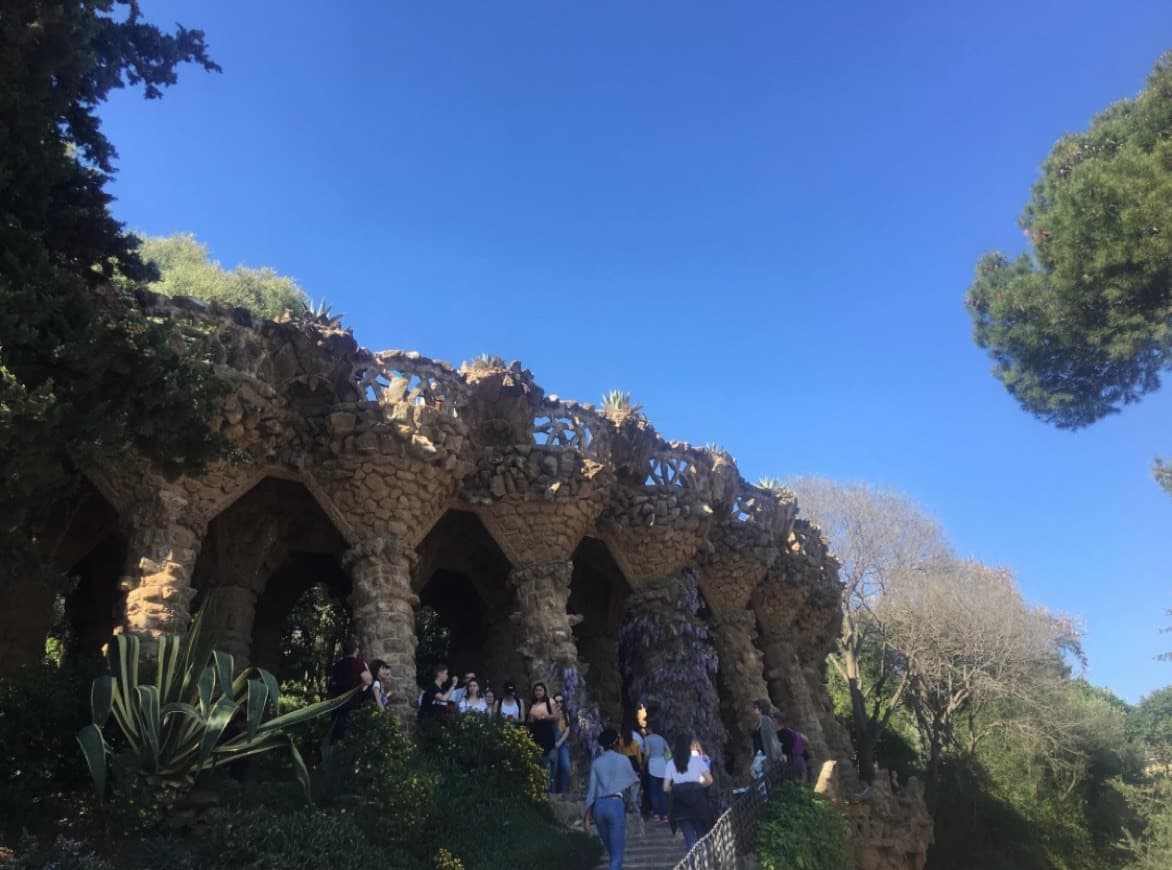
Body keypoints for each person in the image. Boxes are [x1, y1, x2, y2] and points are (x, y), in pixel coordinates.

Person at [585, 728, 640, 870]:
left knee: (612, 853)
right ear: (616, 741)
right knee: (617, 856)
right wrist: (631, 802)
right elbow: (635, 782)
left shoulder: (596, 763)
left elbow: (591, 792)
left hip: (598, 807)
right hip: (615, 805)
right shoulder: (623, 760)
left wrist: (587, 820)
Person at [664, 732, 715, 852]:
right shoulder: (697, 761)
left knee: (690, 840)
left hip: (680, 806)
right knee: (702, 836)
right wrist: (698, 786)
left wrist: (677, 789)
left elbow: (666, 788)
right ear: (689, 746)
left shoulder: (671, 764)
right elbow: (709, 780)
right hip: (698, 803)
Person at [325, 637, 372, 745]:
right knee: (347, 737)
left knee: (335, 735)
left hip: (336, 704)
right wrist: (366, 668)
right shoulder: (357, 663)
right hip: (351, 704)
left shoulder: (337, 665)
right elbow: (368, 680)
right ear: (356, 649)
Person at [527, 682, 560, 790]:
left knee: (549, 764)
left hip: (547, 735)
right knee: (537, 763)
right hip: (536, 736)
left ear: (544, 691)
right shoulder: (532, 704)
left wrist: (542, 716)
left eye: (540, 690)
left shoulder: (550, 702)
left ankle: (550, 790)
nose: (538, 692)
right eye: (536, 690)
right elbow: (530, 720)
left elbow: (556, 716)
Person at [643, 719, 671, 822]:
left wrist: (643, 763)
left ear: (649, 729)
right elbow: (668, 751)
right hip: (663, 765)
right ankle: (665, 814)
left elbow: (647, 752)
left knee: (653, 791)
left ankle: (656, 814)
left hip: (653, 765)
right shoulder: (661, 738)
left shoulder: (647, 739)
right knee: (662, 791)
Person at [615, 714, 643, 815]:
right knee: (635, 786)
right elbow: (638, 756)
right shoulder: (635, 743)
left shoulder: (621, 742)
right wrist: (640, 766)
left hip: (624, 762)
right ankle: (634, 806)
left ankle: (624, 806)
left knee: (624, 786)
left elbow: (619, 753)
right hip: (634, 763)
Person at [773, 711, 806, 783]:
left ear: (776, 721)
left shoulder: (782, 734)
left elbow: (787, 749)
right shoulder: (788, 731)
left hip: (793, 763)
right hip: (798, 761)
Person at [751, 699, 784, 773]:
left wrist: (774, 758)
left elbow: (772, 739)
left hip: (765, 756)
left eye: (755, 708)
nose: (753, 710)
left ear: (760, 709)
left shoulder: (766, 720)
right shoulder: (759, 722)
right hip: (759, 755)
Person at [552, 691, 572, 794]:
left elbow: (568, 730)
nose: (559, 703)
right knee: (554, 769)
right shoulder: (550, 713)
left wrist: (560, 742)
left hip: (563, 742)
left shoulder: (565, 714)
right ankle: (553, 794)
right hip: (553, 742)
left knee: (565, 767)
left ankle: (563, 793)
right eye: (557, 701)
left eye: (561, 701)